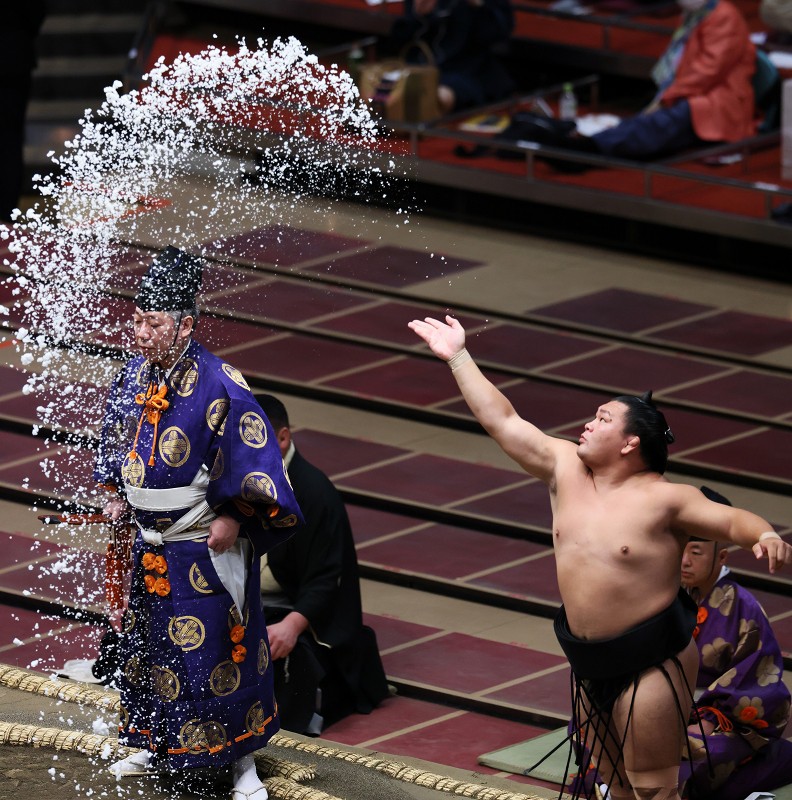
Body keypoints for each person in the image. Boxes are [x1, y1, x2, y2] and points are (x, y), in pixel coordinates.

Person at [407, 313, 792, 800]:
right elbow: (503, 419)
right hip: (589, 659)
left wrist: (765, 534)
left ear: (631, 442)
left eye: (603, 419)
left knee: (655, 789)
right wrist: (459, 358)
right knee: (616, 786)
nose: (588, 424)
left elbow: (731, 520)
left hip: (654, 661)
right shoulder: (563, 468)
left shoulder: (666, 498)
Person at [95, 246, 304, 800]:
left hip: (200, 541)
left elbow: (254, 459)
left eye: (153, 322)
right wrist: (118, 495)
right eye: (136, 320)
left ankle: (243, 767)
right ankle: (153, 739)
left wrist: (235, 514)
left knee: (222, 652)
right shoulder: (132, 376)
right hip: (147, 540)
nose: (139, 332)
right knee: (148, 648)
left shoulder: (220, 380)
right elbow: (116, 445)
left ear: (186, 323)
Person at [253, 394, 390, 736]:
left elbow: (327, 577)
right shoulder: (235, 478)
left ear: (283, 438)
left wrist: (292, 625)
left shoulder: (315, 492)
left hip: (295, 607)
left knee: (288, 657)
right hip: (245, 596)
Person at [530, 0, 755, 166]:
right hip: (691, 93)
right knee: (650, 121)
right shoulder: (695, 15)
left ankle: (592, 149)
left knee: (660, 123)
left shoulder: (724, 16)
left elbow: (708, 71)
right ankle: (590, 144)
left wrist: (667, 96)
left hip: (717, 101)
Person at [679, 486, 792, 800]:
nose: (684, 561)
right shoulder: (662, 594)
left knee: (696, 757)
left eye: (696, 552)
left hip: (718, 720)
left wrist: (702, 718)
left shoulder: (742, 607)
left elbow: (756, 684)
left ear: (722, 556)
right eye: (680, 550)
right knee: (590, 730)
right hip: (661, 707)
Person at [388, 0, 515, 114]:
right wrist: (418, 16)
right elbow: (400, 40)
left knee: (436, 97)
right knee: (380, 93)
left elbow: (499, 33)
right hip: (416, 68)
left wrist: (478, 5)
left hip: (467, 70)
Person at [1, 5, 46, 221]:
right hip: (14, 57)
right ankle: (7, 209)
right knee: (10, 140)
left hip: (14, 57)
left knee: (10, 139)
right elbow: (35, 13)